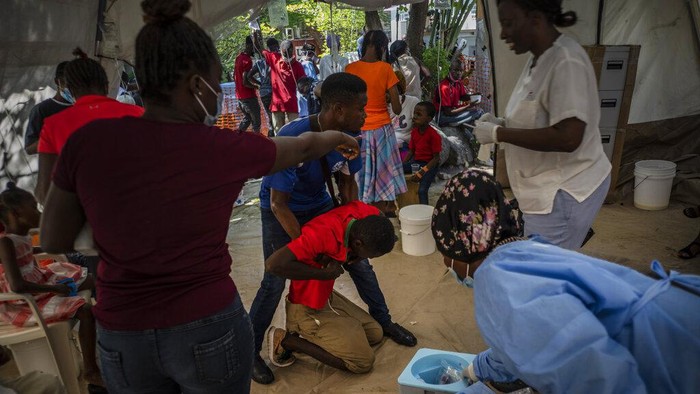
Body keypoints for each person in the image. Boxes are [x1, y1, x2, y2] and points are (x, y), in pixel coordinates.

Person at [38, 0, 359, 392]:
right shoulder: (222, 147)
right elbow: (305, 146)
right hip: (206, 324)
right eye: (214, 81)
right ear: (196, 84)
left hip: (123, 330)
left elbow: (53, 239)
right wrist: (341, 137)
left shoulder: (87, 143)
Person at [430, 169, 700, 393]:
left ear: (458, 243)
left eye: (443, 252)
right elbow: (526, 337)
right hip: (678, 316)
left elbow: (598, 378)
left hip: (674, 352)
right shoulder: (518, 251)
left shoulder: (496, 284)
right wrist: (476, 368)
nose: (445, 264)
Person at [250, 72, 416, 385]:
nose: (366, 114)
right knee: (274, 280)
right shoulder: (293, 136)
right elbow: (278, 205)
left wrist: (351, 229)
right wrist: (311, 247)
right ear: (338, 110)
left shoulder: (353, 138)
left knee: (360, 264)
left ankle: (384, 320)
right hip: (282, 209)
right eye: (361, 108)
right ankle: (251, 351)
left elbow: (347, 183)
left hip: (318, 202)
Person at [474, 0, 611, 250]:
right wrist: (502, 123)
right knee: (544, 266)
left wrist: (499, 133)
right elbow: (539, 115)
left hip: (562, 191)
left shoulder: (566, 62)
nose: (503, 33)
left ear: (535, 20)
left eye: (508, 24)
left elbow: (569, 137)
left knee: (546, 272)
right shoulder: (537, 60)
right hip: (541, 190)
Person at [264, 202, 396, 374]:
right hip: (306, 306)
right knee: (363, 362)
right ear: (358, 243)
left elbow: (379, 215)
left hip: (325, 297)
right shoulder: (321, 234)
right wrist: (324, 274)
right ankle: (288, 340)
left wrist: (354, 256)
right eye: (371, 255)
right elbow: (272, 265)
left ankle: (332, 328)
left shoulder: (364, 215)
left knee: (375, 334)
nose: (370, 258)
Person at [0, 183, 103, 388]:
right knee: (85, 310)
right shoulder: (5, 243)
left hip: (39, 284)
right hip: (25, 302)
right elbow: (18, 285)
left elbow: (28, 251)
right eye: (33, 207)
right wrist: (55, 289)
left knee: (93, 279)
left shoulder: (21, 237)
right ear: (17, 212)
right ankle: (91, 370)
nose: (39, 211)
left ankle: (108, 343)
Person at [34, 47, 144, 205]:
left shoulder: (53, 125)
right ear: (106, 85)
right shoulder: (138, 113)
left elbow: (44, 193)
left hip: (85, 217)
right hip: (137, 210)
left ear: (70, 90)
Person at [346, 30, 407, 217]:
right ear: (382, 47)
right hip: (382, 131)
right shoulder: (386, 69)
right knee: (383, 176)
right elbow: (397, 109)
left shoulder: (350, 69)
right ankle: (382, 214)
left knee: (361, 177)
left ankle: (364, 213)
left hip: (358, 132)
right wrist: (387, 98)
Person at [24, 61, 71, 155]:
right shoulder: (42, 110)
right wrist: (56, 139)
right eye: (68, 83)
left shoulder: (82, 108)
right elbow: (29, 148)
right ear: (57, 81)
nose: (73, 87)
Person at [260, 36, 306, 132]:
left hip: (290, 103)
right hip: (278, 104)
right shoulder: (274, 58)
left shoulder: (297, 66)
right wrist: (255, 30)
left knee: (295, 131)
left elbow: (303, 84)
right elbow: (259, 48)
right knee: (279, 132)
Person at [402, 102, 441, 205]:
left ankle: (425, 214)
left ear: (429, 119)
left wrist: (422, 172)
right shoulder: (414, 132)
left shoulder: (434, 135)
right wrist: (402, 165)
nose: (414, 117)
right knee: (396, 170)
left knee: (422, 190)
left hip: (430, 165)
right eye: (414, 113)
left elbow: (436, 158)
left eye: (419, 114)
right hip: (417, 163)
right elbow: (411, 151)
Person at [434, 59, 483, 128]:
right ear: (450, 69)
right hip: (443, 116)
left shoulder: (458, 82)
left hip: (453, 111)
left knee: (478, 111)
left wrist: (473, 95)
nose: (459, 73)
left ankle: (465, 130)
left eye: (461, 71)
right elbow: (448, 112)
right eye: (456, 70)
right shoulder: (444, 87)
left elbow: (462, 96)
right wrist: (468, 106)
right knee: (478, 112)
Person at [389, 71, 420, 160]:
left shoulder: (412, 102)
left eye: (393, 90)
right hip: (385, 147)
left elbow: (418, 129)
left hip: (405, 147)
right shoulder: (381, 105)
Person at [247, 33, 274, 135]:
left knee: (268, 114)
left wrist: (260, 84)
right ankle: (274, 136)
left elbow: (249, 76)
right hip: (273, 91)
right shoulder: (274, 60)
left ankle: (271, 134)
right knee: (274, 116)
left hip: (263, 92)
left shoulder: (259, 62)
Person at [235, 36, 261, 133]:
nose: (256, 50)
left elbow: (247, 76)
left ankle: (237, 138)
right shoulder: (247, 60)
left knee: (247, 119)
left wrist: (259, 82)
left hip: (240, 97)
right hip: (249, 98)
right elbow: (245, 81)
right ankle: (257, 144)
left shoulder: (238, 57)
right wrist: (256, 86)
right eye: (255, 47)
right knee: (256, 123)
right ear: (250, 46)